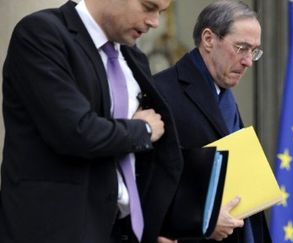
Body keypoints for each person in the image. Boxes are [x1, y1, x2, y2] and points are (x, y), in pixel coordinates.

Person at [0, 0, 182, 242]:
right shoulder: (41, 33)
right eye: (148, 7)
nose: (155, 22)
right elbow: (77, 131)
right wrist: (143, 129)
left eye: (160, 12)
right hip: (56, 230)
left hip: (121, 229)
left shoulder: (133, 56)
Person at [153, 1, 271, 242]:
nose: (248, 61)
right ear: (208, 39)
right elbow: (150, 189)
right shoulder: (161, 92)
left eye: (254, 51)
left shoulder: (223, 93)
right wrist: (203, 223)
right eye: (241, 48)